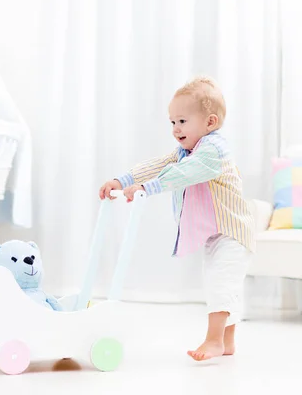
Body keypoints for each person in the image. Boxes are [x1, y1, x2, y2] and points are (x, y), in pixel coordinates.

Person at [99, 76, 255, 361]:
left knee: (221, 283)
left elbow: (185, 172)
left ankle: (214, 340)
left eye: (182, 121)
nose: (175, 129)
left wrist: (149, 187)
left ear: (209, 123)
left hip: (233, 232)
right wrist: (122, 180)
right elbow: (160, 164)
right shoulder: (187, 150)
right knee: (221, 284)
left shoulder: (211, 151)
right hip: (217, 233)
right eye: (172, 122)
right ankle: (227, 341)